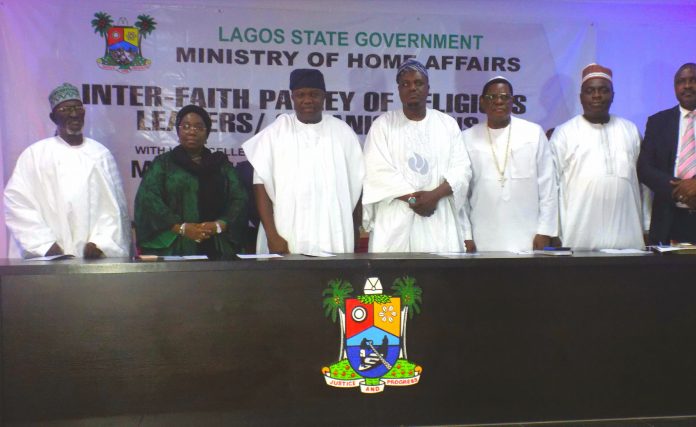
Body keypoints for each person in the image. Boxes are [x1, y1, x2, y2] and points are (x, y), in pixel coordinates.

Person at [242, 69, 364, 254]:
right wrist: (272, 235)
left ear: (324, 97)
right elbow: (260, 187)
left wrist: (354, 228)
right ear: (292, 97)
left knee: (334, 273)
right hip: (286, 233)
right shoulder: (275, 133)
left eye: (314, 94)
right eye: (301, 95)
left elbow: (356, 184)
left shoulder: (343, 133)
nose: (308, 100)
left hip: (333, 231)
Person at [4, 83, 130, 258]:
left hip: (93, 262)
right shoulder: (35, 155)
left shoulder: (101, 154)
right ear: (53, 117)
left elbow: (116, 208)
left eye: (78, 108)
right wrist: (44, 244)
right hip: (47, 259)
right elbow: (17, 201)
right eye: (65, 109)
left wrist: (101, 243)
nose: (73, 114)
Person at [362, 59, 471, 252]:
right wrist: (415, 200)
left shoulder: (447, 124)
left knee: (440, 270)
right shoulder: (383, 125)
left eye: (418, 83)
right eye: (406, 84)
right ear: (399, 90)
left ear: (428, 88)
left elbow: (461, 170)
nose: (412, 88)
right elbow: (377, 172)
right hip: (395, 222)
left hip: (438, 218)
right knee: (393, 271)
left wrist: (433, 197)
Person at [549, 63, 644, 250]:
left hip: (628, 236)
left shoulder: (630, 130)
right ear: (581, 97)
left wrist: (646, 226)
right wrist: (554, 231)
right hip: (579, 237)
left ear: (613, 95)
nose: (597, 96)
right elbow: (551, 187)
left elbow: (643, 185)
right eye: (590, 91)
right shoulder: (564, 133)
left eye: (603, 90)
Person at [134, 105, 248, 259]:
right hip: (175, 246)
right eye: (186, 126)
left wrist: (219, 225)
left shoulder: (221, 165)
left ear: (207, 134)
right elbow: (148, 201)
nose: (192, 131)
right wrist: (180, 228)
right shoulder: (163, 164)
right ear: (178, 131)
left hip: (216, 244)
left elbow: (239, 199)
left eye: (199, 127)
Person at [462, 76, 557, 252]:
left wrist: (545, 231)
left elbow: (548, 186)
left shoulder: (533, 133)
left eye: (505, 97)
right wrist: (466, 235)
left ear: (512, 101)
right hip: (482, 236)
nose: (499, 101)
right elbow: (463, 195)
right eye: (492, 97)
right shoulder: (467, 138)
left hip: (529, 236)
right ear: (482, 102)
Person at [638, 63, 696, 244]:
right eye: (681, 81)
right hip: (668, 219)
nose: (687, 86)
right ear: (675, 87)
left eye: (693, 80)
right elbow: (644, 168)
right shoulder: (658, 122)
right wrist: (680, 190)